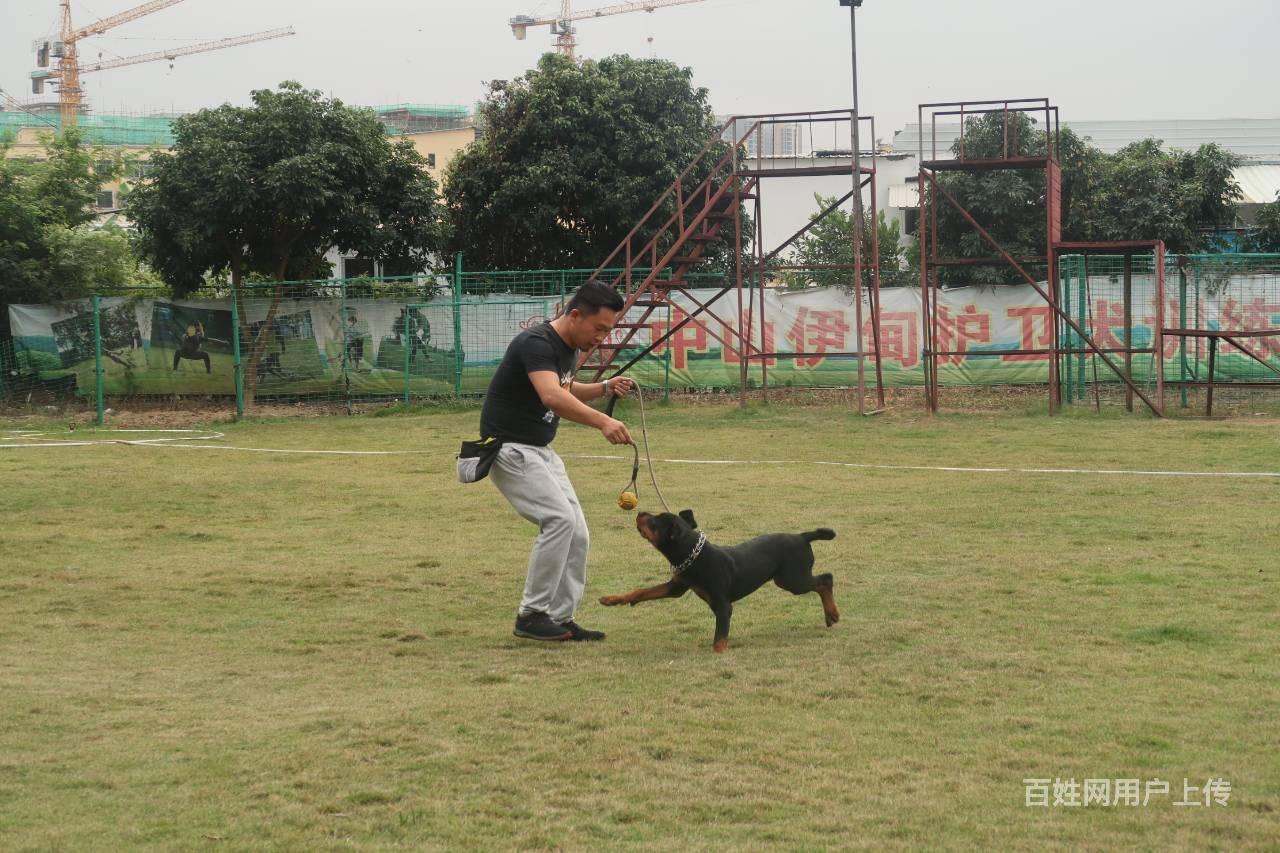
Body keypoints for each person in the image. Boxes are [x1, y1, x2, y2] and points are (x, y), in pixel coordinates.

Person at [480, 280, 635, 642]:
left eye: (607, 332)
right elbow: (551, 396)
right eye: (599, 329)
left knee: (577, 532)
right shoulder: (536, 343)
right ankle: (531, 615)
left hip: (540, 451)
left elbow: (563, 387)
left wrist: (605, 387)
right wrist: (604, 421)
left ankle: (560, 617)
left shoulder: (567, 348)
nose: (602, 338)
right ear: (576, 314)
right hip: (509, 448)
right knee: (559, 520)